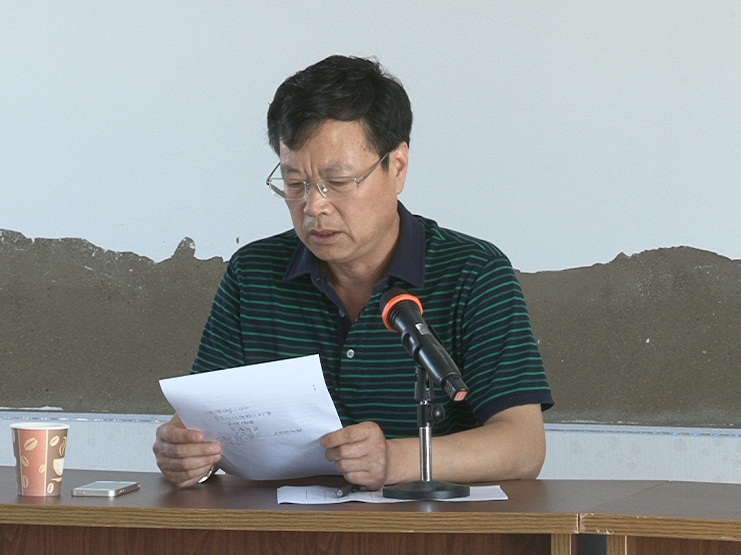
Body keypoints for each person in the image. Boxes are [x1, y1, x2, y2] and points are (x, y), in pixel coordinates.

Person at [153, 55, 553, 489]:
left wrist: (396, 460)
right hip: (282, 523)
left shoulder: (473, 274)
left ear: (397, 167)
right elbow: (201, 421)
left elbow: (523, 446)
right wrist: (184, 451)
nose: (314, 206)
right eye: (295, 184)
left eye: (338, 182)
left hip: (425, 523)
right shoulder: (253, 274)